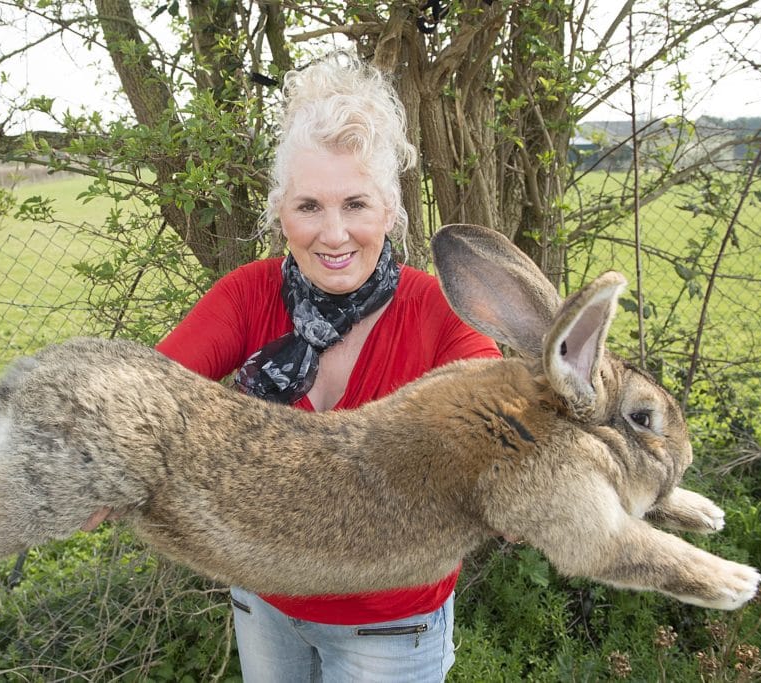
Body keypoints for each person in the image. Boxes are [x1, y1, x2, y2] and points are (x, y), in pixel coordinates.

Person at [151, 52, 502, 681]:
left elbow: (498, 437)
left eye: (356, 205)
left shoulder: (441, 314)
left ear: (389, 211)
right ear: (280, 211)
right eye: (309, 206)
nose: (333, 234)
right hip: (265, 600)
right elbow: (140, 398)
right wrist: (97, 464)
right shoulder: (248, 295)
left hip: (390, 627)